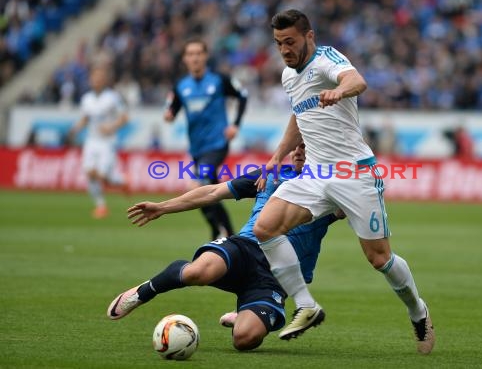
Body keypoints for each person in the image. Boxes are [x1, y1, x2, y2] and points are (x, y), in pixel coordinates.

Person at [251, 9, 435, 354]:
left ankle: (418, 311)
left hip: (354, 174)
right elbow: (299, 114)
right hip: (316, 175)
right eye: (278, 44)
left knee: (379, 259)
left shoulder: (325, 59)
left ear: (309, 36)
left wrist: (340, 91)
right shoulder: (289, 77)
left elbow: (356, 80)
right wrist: (278, 156)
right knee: (265, 227)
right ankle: (306, 305)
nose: (284, 50)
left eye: (290, 42)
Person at [107, 144, 341, 351]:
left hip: (274, 278)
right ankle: (143, 292)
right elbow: (213, 191)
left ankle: (243, 315)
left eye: (305, 146)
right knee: (196, 272)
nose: (299, 150)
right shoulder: (271, 175)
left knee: (244, 339)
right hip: (245, 249)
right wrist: (163, 207)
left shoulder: (330, 191)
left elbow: (359, 208)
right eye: (296, 146)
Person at [163, 38, 248, 240]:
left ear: (205, 56)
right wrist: (169, 115)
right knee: (211, 193)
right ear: (185, 58)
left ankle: (219, 231)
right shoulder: (181, 86)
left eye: (198, 53)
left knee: (197, 186)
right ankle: (227, 233)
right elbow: (171, 109)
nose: (195, 58)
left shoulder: (219, 80)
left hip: (217, 144)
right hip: (197, 148)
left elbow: (243, 95)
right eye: (190, 54)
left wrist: (235, 124)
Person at [69, 66, 129, 219]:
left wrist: (111, 126)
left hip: (107, 142)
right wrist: (75, 129)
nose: (96, 80)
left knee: (102, 176)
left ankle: (121, 181)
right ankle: (101, 206)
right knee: (90, 173)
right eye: (94, 78)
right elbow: (85, 118)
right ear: (90, 80)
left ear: (105, 81)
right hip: (91, 140)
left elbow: (124, 118)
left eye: (100, 78)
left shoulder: (112, 97)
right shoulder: (86, 99)